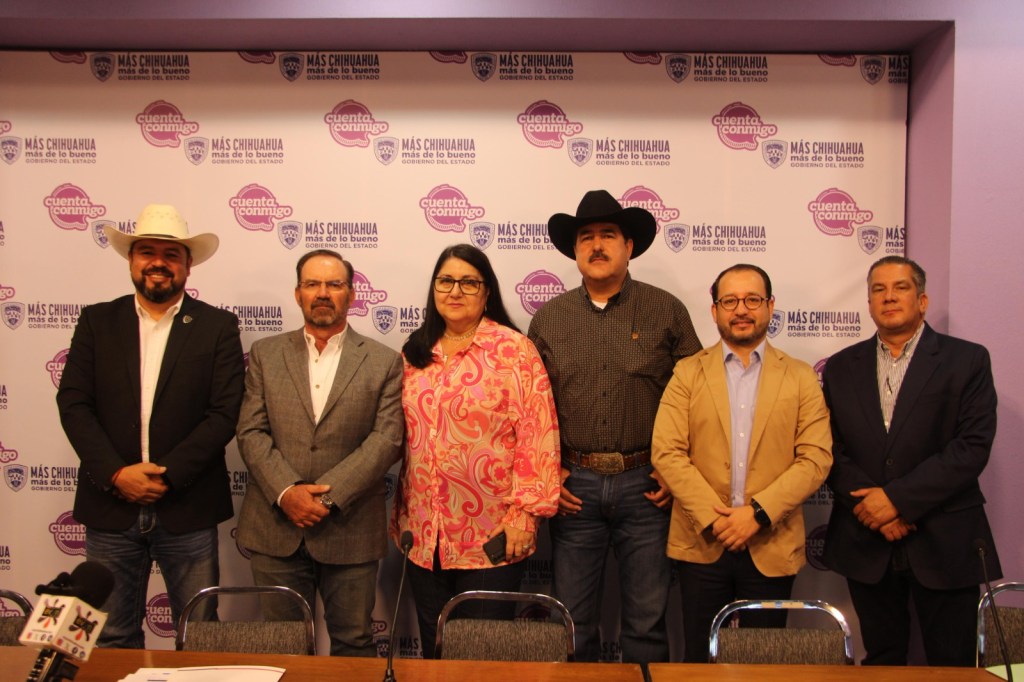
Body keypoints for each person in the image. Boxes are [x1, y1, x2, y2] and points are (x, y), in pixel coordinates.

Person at [56, 204, 244, 648]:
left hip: (187, 505)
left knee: (198, 638)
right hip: (110, 505)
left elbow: (224, 412)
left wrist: (166, 475)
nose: (158, 262)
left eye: (170, 254)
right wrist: (117, 474)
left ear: (188, 264)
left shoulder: (217, 326)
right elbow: (73, 403)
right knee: (109, 637)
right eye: (147, 252)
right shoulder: (96, 321)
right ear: (131, 260)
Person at [527, 190, 702, 665]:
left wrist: (678, 470)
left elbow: (698, 398)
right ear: (574, 250)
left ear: (629, 246)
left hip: (647, 486)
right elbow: (531, 407)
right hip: (574, 488)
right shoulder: (549, 319)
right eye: (586, 237)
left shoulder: (666, 311)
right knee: (573, 624)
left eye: (608, 235)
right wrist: (548, 471)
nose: (597, 245)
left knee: (646, 623)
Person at [822, 255, 1001, 666]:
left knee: (953, 663)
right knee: (882, 659)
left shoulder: (966, 360)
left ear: (922, 300)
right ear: (869, 303)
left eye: (900, 287)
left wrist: (896, 501)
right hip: (866, 538)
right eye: (878, 290)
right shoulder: (841, 366)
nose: (889, 297)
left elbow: (971, 447)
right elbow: (828, 449)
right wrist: (874, 508)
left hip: (945, 536)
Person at [651, 264, 832, 662]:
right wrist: (716, 519)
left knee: (762, 663)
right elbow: (667, 451)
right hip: (703, 541)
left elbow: (816, 458)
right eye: (730, 301)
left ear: (770, 306)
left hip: (771, 540)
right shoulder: (687, 372)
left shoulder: (800, 376)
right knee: (699, 660)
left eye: (752, 299)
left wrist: (758, 514)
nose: (741, 310)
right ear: (714, 311)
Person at [391, 243, 560, 659]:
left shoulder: (513, 351)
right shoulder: (414, 353)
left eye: (469, 282)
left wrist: (524, 516)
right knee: (435, 653)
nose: (455, 291)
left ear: (487, 292)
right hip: (423, 535)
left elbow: (538, 433)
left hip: (491, 536)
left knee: (480, 657)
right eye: (446, 281)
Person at [236, 249, 404, 656]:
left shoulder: (384, 361)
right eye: (312, 284)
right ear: (298, 294)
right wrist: (288, 492)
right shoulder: (266, 353)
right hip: (275, 527)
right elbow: (250, 431)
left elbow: (387, 440)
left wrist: (326, 498)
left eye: (334, 284)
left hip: (350, 529)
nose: (323, 293)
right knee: (283, 647)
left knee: (353, 644)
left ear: (352, 294)